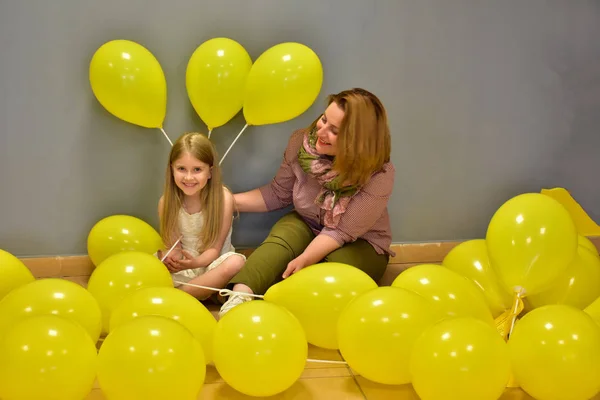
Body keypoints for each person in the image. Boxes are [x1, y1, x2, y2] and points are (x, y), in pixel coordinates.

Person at [219, 88, 395, 317]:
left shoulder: (378, 174)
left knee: (329, 274)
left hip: (361, 242)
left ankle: (285, 308)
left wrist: (305, 259)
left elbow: (339, 232)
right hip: (308, 222)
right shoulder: (301, 145)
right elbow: (277, 193)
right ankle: (239, 296)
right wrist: (225, 202)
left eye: (335, 131)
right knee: (280, 243)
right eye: (323, 120)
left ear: (356, 142)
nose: (321, 131)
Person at [157, 132, 246, 300]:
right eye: (181, 169)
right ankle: (197, 293)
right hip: (186, 269)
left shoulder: (223, 198)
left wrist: (196, 263)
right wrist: (173, 259)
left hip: (214, 265)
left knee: (236, 262)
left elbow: (214, 249)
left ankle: (180, 296)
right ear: (172, 169)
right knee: (153, 265)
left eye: (197, 169)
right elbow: (175, 247)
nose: (189, 177)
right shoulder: (166, 203)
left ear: (210, 172)